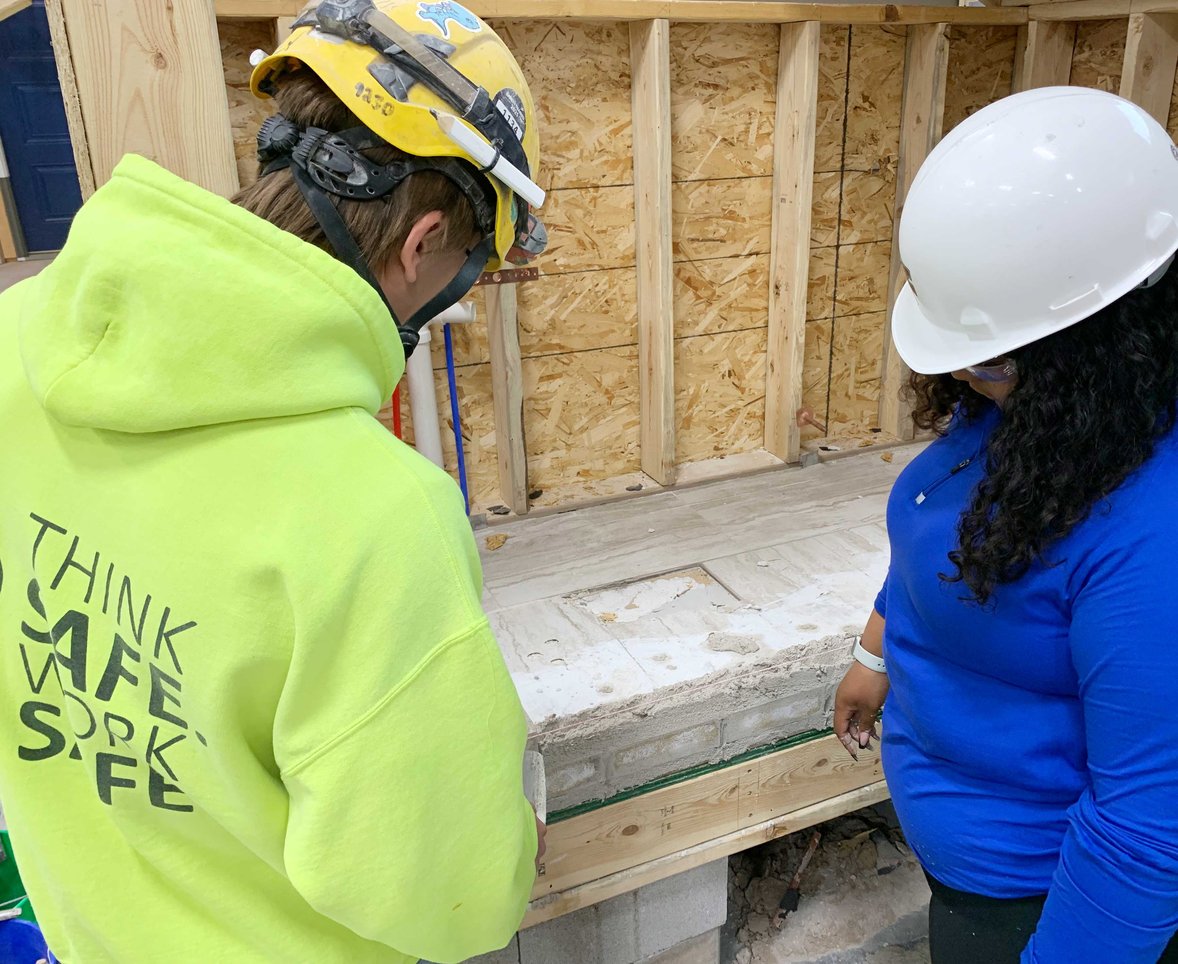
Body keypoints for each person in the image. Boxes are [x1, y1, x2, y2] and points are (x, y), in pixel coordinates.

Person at [0, 1, 548, 961]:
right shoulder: (378, 520)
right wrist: (505, 850)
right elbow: (444, 898)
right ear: (422, 243)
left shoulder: (18, 343)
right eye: (469, 260)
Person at [834, 86, 1178, 963]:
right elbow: (950, 524)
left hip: (1034, 902)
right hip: (969, 861)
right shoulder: (1050, 412)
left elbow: (1147, 831)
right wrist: (877, 650)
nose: (970, 379)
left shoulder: (1152, 530)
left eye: (990, 360)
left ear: (1101, 338)